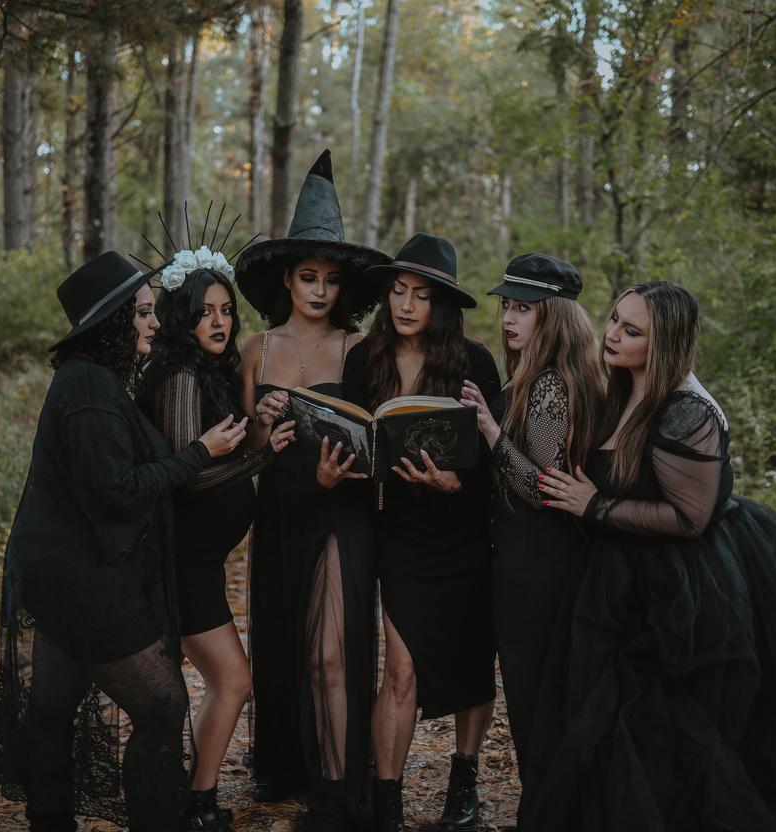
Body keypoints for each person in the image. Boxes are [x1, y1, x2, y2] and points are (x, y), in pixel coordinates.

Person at [526, 281, 776, 831]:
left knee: (658, 730)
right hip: (611, 584)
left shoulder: (684, 413)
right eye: (614, 319)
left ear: (665, 341)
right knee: (598, 722)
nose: (612, 334)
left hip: (678, 593)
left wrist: (595, 506)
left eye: (631, 329)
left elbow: (689, 519)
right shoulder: (621, 393)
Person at [0, 251, 248, 832]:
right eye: (141, 314)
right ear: (112, 322)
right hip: (85, 585)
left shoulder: (93, 380)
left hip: (63, 578)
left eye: (153, 312)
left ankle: (49, 821)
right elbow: (115, 492)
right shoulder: (87, 391)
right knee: (163, 706)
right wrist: (199, 454)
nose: (154, 324)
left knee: (52, 712)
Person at [235, 149, 391, 831]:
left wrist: (342, 473)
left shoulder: (361, 349)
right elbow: (241, 453)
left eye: (330, 279)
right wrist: (258, 429)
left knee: (331, 653)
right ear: (286, 280)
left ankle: (335, 796)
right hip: (280, 514)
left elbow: (379, 443)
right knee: (285, 648)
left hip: (341, 504)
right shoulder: (256, 350)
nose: (320, 290)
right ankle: (291, 765)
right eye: (307, 276)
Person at [332, 233, 501, 832]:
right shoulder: (363, 359)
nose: (405, 305)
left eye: (421, 295)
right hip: (399, 533)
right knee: (400, 670)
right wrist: (334, 470)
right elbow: (353, 442)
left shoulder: (475, 363)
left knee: (473, 659)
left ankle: (463, 781)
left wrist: (455, 487)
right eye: (398, 292)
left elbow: (495, 462)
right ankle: (388, 802)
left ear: (443, 305)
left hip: (463, 534)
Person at [135, 253, 296, 832]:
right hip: (183, 561)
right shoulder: (177, 376)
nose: (220, 322)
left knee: (211, 683)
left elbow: (220, 442)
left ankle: (192, 798)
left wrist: (259, 421)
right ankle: (197, 805)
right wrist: (262, 458)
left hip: (198, 560)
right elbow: (192, 473)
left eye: (227, 311)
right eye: (205, 312)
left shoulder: (203, 372)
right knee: (233, 679)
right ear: (182, 314)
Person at [458, 253, 604, 803]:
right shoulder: (556, 378)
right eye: (507, 307)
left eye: (525, 308)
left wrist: (491, 431)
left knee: (534, 702)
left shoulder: (548, 386)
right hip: (537, 564)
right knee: (544, 700)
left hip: (537, 567)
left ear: (556, 317)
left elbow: (543, 490)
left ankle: (550, 810)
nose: (509, 319)